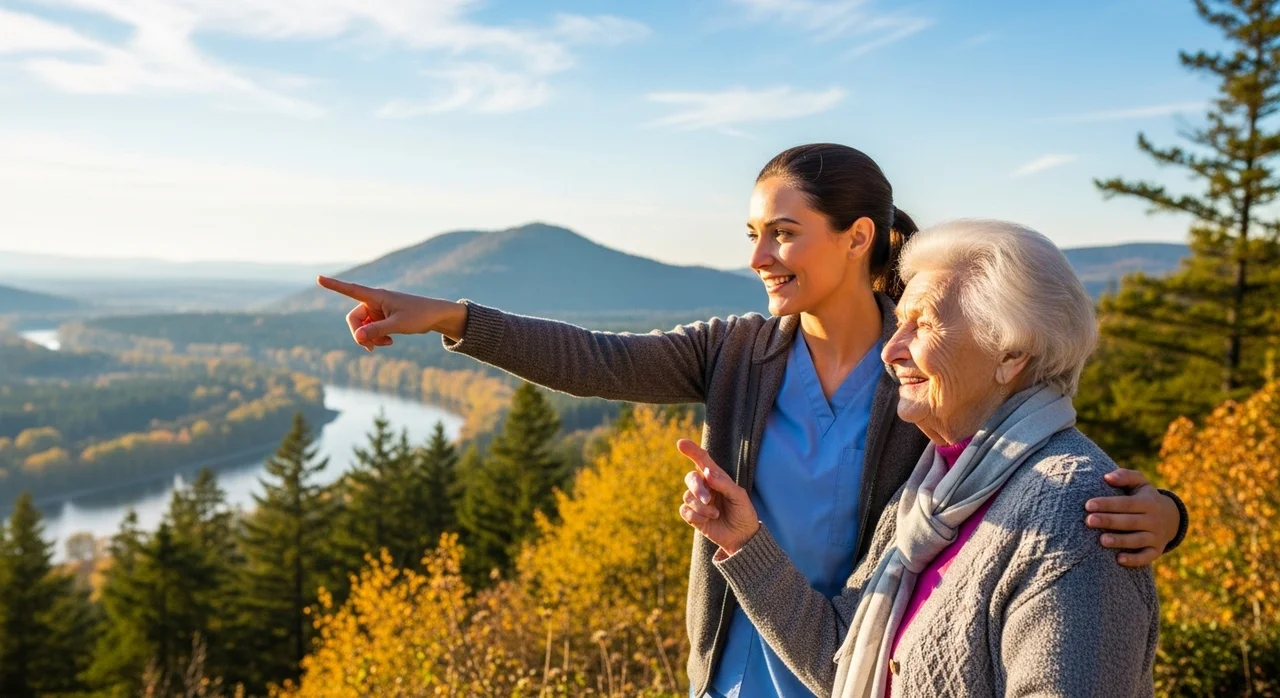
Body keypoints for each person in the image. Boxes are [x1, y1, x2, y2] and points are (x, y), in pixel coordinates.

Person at [318, 145, 1186, 697]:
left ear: (856, 238)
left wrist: (1165, 513)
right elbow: (595, 358)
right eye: (753, 234)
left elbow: (1035, 459)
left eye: (782, 233)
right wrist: (452, 318)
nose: (757, 257)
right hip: (759, 652)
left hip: (876, 657)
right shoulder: (737, 351)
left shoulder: (934, 358)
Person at [678, 220, 1162, 697]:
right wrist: (744, 541)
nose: (891, 349)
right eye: (898, 323)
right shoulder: (932, 488)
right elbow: (840, 657)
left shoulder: (1075, 516)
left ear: (1010, 354)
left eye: (923, 325)